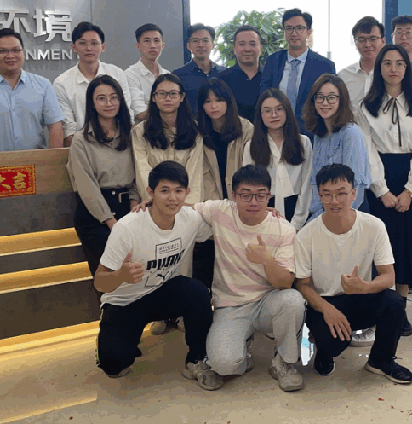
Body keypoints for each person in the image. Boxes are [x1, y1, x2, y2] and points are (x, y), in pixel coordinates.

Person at [93, 160, 223, 391]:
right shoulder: (127, 228)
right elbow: (99, 282)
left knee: (196, 292)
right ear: (150, 193)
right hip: (125, 301)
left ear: (187, 193)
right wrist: (121, 275)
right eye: (164, 191)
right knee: (114, 366)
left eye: (178, 191)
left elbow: (225, 223)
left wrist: (264, 214)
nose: (172, 198)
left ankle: (197, 358)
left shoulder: (190, 219)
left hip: (162, 293)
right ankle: (116, 339)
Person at [295, 164, 412, 384]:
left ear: (353, 194)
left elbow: (389, 276)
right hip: (325, 302)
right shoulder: (306, 235)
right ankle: (324, 351)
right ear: (319, 196)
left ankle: (380, 361)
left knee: (394, 303)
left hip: (361, 295)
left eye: (341, 193)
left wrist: (365, 287)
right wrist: (328, 309)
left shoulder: (373, 226)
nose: (334, 201)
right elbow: (302, 285)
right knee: (333, 344)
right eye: (327, 194)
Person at [196, 165, 306, 392]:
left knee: (293, 300)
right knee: (224, 365)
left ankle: (283, 361)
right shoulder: (221, 211)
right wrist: (150, 204)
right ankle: (242, 352)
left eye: (260, 195)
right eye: (245, 195)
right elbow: (185, 209)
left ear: (269, 195)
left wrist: (266, 260)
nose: (253, 202)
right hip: (231, 305)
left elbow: (285, 283)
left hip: (268, 301)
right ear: (234, 195)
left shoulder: (283, 229)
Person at [355, 44, 412, 337]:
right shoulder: (366, 106)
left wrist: (410, 190)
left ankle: (400, 310)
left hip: (411, 180)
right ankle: (379, 309)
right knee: (381, 248)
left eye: (400, 63)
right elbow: (368, 150)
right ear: (379, 68)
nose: (394, 69)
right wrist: (382, 189)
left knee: (406, 248)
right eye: (387, 63)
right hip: (381, 179)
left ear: (406, 68)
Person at [131, 73, 204, 335]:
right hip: (154, 205)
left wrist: (183, 202)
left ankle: (182, 311)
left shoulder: (194, 130)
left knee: (182, 260)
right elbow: (142, 168)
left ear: (182, 97)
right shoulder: (140, 131)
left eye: (173, 93)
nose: (167, 98)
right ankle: (159, 313)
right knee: (154, 261)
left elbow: (194, 171)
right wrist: (155, 199)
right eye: (161, 94)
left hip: (184, 205)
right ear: (153, 98)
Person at [67, 75, 139, 277]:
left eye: (114, 97)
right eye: (101, 98)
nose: (109, 103)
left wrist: (133, 212)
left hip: (129, 209)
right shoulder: (81, 140)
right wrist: (111, 222)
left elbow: (139, 175)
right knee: (109, 278)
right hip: (95, 216)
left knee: (136, 275)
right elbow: (86, 186)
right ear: (92, 103)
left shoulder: (132, 135)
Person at [0, 28, 64, 153]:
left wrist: (53, 161)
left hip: (36, 162)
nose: (10, 56)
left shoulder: (43, 85)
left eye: (16, 50)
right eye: (2, 51)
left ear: (23, 52)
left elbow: (55, 126)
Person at [193, 78, 254, 289]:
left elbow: (249, 170)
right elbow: (199, 174)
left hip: (240, 202)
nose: (213, 106)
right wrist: (217, 209)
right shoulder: (196, 130)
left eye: (219, 100)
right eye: (207, 101)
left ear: (228, 101)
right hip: (210, 205)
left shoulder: (245, 128)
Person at [54, 22, 146, 147]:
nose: (89, 48)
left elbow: (125, 112)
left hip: (119, 143)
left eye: (94, 43)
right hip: (82, 146)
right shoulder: (62, 83)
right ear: (74, 47)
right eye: (82, 43)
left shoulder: (117, 74)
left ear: (103, 47)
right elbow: (69, 129)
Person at [302, 74, 370, 220]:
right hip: (325, 213)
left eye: (331, 97)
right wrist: (316, 219)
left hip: (349, 215)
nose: (324, 102)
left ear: (342, 100)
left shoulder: (351, 133)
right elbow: (316, 183)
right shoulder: (319, 135)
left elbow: (355, 190)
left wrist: (332, 221)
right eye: (319, 97)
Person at [243, 89, 313, 230]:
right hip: (264, 211)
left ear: (287, 111)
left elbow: (307, 184)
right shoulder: (251, 146)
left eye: (279, 109)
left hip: (297, 209)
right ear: (260, 115)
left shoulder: (303, 142)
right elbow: (249, 186)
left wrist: (297, 222)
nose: (273, 115)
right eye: (267, 111)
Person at [260, 9, 336, 133]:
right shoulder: (273, 62)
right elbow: (264, 97)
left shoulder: (324, 66)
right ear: (284, 32)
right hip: (278, 132)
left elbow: (330, 102)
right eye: (289, 28)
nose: (294, 33)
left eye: (299, 28)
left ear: (308, 32)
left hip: (313, 133)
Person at [173, 23, 226, 113]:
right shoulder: (178, 76)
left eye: (205, 41)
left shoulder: (224, 73)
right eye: (195, 41)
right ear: (188, 46)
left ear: (213, 45)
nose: (200, 45)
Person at [338, 16, 386, 112]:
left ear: (383, 41)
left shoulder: (391, 74)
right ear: (355, 43)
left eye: (373, 39)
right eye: (361, 40)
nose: (367, 44)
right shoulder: (343, 76)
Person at [216, 25, 263, 121]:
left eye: (252, 44)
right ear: (234, 48)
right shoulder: (221, 80)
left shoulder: (272, 76)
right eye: (242, 44)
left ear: (261, 48)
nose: (247, 49)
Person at [125, 23, 170, 121]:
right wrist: (168, 111)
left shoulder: (167, 75)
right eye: (147, 41)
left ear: (162, 45)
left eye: (156, 41)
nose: (152, 45)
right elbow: (140, 113)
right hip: (143, 129)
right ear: (138, 46)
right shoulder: (130, 75)